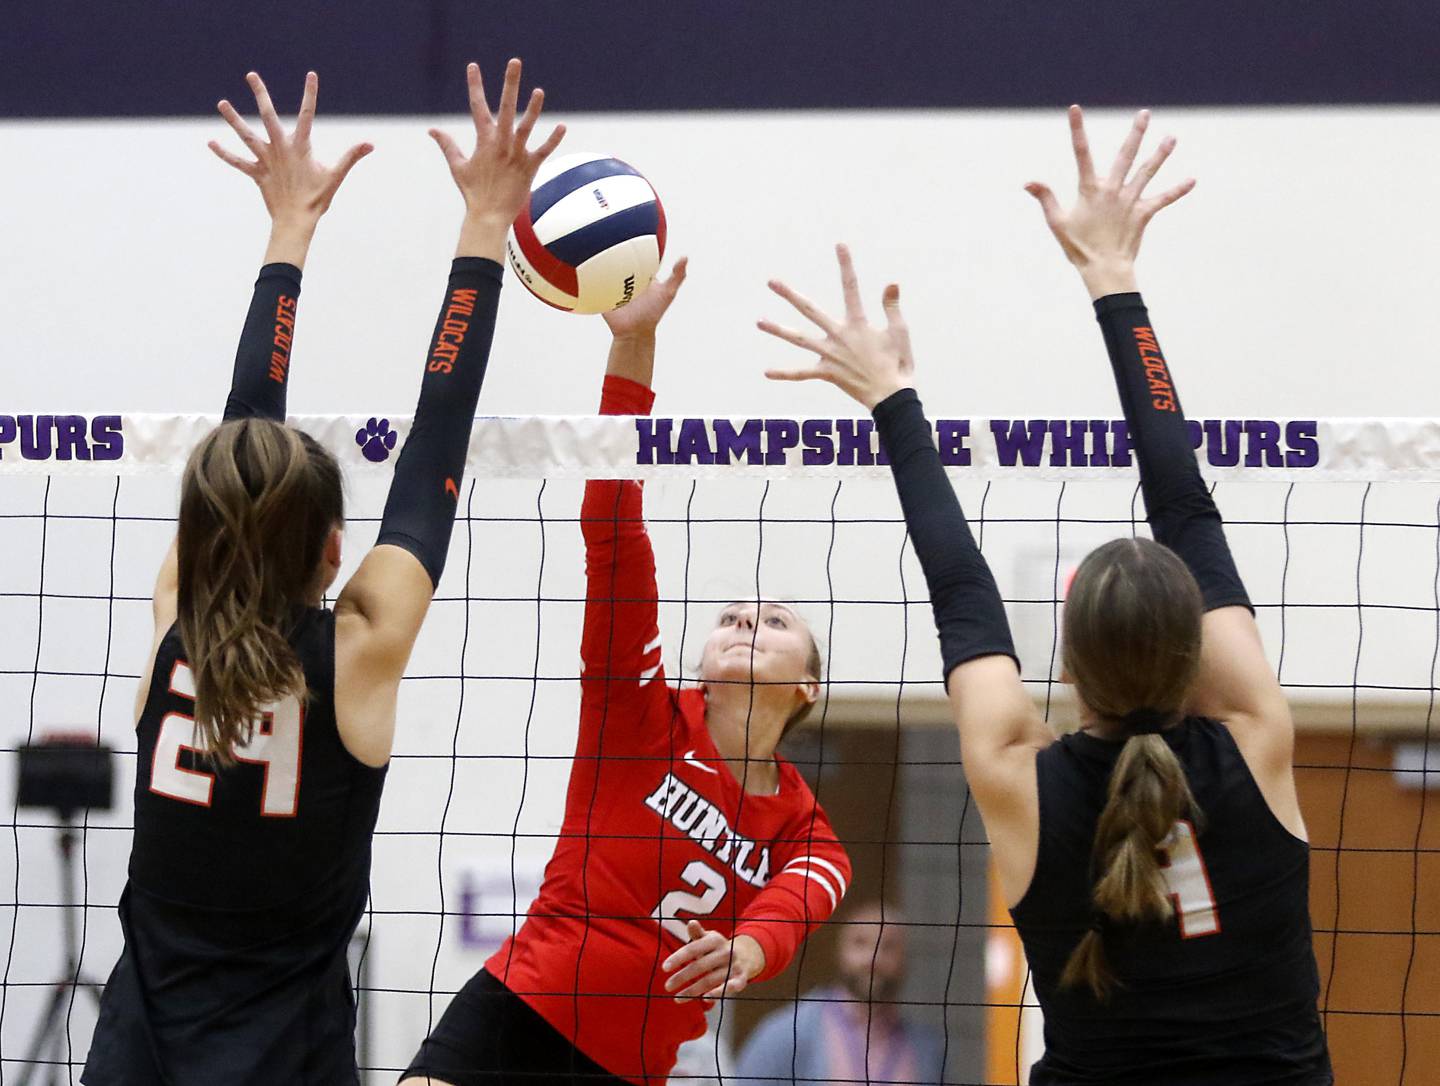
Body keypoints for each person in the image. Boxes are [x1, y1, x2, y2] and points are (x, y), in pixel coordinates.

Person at [759, 109, 1331, 1084]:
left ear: (1067, 663)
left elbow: (961, 593)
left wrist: (894, 398)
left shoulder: (1023, 779)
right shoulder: (1254, 734)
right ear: (1195, 653)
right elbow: (1187, 507)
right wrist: (1115, 279)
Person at [82, 59, 563, 1085]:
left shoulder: (179, 617)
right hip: (281, 1058)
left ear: (204, 531)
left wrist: (288, 230)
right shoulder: (359, 645)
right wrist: (485, 226)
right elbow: (441, 442)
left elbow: (243, 440)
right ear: (338, 551)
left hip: (139, 1053)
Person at [403, 262, 852, 1086]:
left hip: (625, 1065)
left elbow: (800, 902)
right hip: (520, 1003)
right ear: (703, 664)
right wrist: (634, 347)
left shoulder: (806, 832)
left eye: (775, 621)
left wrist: (748, 948)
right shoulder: (637, 712)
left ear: (808, 688)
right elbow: (612, 527)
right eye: (732, 618)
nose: (747, 622)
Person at [735, 900, 945, 1086]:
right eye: (860, 943)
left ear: (905, 960)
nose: (873, 958)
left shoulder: (926, 1048)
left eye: (888, 947)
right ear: (838, 952)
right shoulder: (788, 1032)